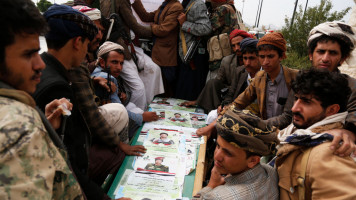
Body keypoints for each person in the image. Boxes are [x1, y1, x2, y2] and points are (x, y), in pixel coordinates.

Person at [32, 5, 129, 200]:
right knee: (118, 156)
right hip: (65, 180)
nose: (87, 52)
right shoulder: (57, 88)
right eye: (87, 45)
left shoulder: (46, 71)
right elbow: (67, 160)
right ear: (78, 42)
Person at [0, 0, 83, 199]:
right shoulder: (22, 129)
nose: (40, 64)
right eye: (28, 54)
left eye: (38, 51)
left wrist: (44, 127)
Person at [276, 21, 356, 156]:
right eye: (321, 51)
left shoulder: (352, 86)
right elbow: (288, 117)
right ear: (311, 54)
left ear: (342, 59)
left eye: (332, 53)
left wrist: (349, 133)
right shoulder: (302, 81)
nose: (325, 58)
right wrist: (260, 126)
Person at [198, 32, 298, 137]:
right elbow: (237, 104)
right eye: (262, 57)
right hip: (262, 130)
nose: (265, 62)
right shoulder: (259, 78)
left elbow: (287, 117)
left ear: (281, 56)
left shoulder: (294, 78)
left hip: (285, 133)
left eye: (270, 56)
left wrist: (255, 124)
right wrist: (213, 125)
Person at [276, 68, 356, 199]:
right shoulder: (298, 134)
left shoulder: (328, 152)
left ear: (331, 110)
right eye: (296, 99)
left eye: (306, 102)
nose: (294, 108)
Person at [196, 110, 279, 200]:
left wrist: (211, 186)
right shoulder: (270, 172)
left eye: (228, 153)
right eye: (218, 146)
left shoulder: (218, 197)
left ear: (253, 161)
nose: (217, 157)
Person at [92, 41, 159, 136]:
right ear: (102, 62)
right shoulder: (107, 78)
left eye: (121, 63)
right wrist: (143, 117)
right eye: (114, 62)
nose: (119, 67)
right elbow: (121, 113)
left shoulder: (97, 73)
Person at [182, 29, 253, 112]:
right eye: (233, 46)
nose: (237, 48)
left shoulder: (254, 63)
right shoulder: (227, 61)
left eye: (239, 44)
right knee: (212, 83)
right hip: (229, 94)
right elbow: (218, 82)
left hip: (245, 95)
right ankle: (214, 110)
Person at [132, 0, 183, 97]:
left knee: (166, 89)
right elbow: (146, 17)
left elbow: (163, 30)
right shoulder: (165, 5)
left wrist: (152, 27)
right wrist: (134, 2)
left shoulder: (176, 7)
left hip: (166, 56)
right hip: (158, 52)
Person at [206, 38, 261, 124]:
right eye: (245, 58)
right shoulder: (240, 71)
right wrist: (224, 106)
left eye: (251, 58)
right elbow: (231, 93)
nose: (247, 63)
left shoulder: (265, 75)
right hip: (236, 109)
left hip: (255, 114)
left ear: (259, 58)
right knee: (212, 116)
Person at [175, 0, 212, 100]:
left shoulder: (198, 4)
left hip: (193, 56)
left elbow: (206, 28)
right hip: (185, 54)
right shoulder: (185, 3)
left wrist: (184, 24)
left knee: (189, 94)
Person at [206, 0, 239, 80]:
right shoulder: (231, 8)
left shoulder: (223, 9)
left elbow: (206, 29)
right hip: (227, 55)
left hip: (220, 56)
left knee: (212, 85)